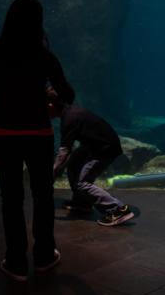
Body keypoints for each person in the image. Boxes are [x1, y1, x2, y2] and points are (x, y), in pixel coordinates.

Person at [0, 0, 75, 282]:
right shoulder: (44, 55)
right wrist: (46, 94)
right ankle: (44, 255)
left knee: (11, 198)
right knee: (43, 195)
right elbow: (68, 95)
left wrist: (7, 91)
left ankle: (16, 260)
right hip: (38, 133)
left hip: (4, 133)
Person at [50, 93, 136, 227]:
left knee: (82, 183)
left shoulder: (69, 118)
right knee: (74, 164)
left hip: (105, 149)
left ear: (50, 105)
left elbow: (64, 152)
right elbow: (67, 153)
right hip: (94, 145)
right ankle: (83, 203)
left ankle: (118, 209)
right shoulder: (70, 113)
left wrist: (53, 173)